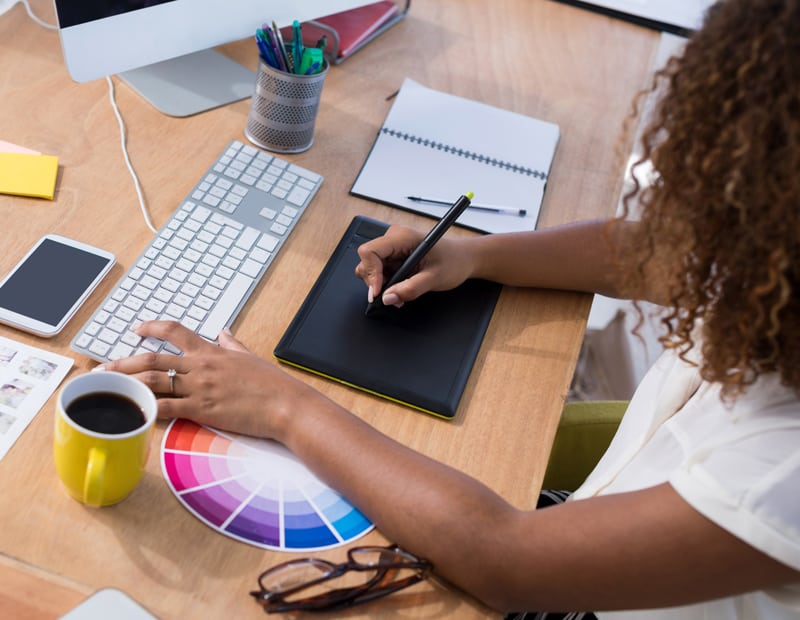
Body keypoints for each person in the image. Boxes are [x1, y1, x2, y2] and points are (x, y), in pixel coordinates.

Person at [99, 0, 800, 616]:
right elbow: (665, 251)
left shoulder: (783, 476)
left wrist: (286, 407)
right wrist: (477, 255)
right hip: (615, 504)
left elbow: (507, 562)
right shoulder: (773, 265)